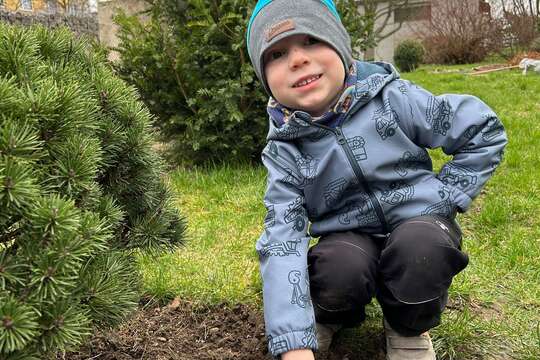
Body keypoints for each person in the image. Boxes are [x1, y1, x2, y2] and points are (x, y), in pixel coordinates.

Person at [246, 1, 508, 359]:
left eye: (311, 41)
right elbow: (282, 242)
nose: (296, 60)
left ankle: (407, 327)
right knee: (339, 269)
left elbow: (483, 130)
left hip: (419, 222)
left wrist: (448, 194)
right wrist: (293, 342)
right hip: (348, 236)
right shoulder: (285, 151)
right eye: (276, 54)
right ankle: (329, 316)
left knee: (423, 249)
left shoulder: (391, 97)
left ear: (340, 46)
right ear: (264, 78)